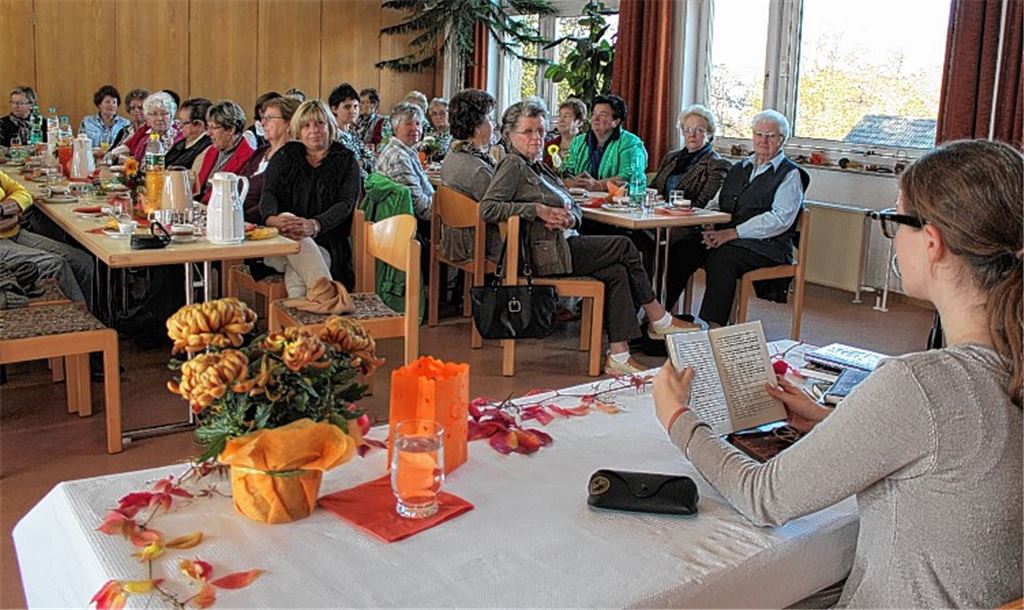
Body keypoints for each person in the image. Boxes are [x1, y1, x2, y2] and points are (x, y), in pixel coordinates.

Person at [653, 138, 1023, 608]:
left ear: (932, 243)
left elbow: (763, 496)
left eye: (894, 220)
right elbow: (950, 452)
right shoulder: (1001, 370)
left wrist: (678, 419)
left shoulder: (919, 384)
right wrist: (836, 422)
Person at [480, 99, 694, 375]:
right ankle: (658, 317)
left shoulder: (538, 166)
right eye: (528, 132)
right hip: (543, 255)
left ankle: (619, 356)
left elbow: (574, 205)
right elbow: (488, 207)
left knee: (617, 270)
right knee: (625, 246)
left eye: (541, 132)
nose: (537, 138)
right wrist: (537, 209)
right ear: (510, 135)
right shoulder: (512, 165)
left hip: (562, 244)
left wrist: (571, 216)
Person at [665, 109, 808, 327]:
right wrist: (710, 225)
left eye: (770, 136)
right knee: (685, 248)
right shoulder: (740, 168)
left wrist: (732, 233)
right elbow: (716, 202)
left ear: (782, 140)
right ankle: (661, 318)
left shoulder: (790, 174)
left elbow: (779, 219)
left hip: (767, 247)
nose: (763, 140)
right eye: (759, 134)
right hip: (729, 236)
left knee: (723, 257)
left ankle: (715, 329)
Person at [259, 100, 360, 291]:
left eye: (319, 123)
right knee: (289, 222)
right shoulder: (285, 155)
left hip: (327, 240)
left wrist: (315, 225)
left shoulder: (346, 160)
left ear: (330, 126)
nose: (313, 130)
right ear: (299, 130)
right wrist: (271, 219)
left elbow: (345, 204)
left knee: (301, 266)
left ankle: (305, 315)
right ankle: (329, 297)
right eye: (306, 125)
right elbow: (269, 192)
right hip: (280, 240)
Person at [0, 170, 92, 307]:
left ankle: (95, 315)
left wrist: (4, 209)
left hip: (13, 232)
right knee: (56, 264)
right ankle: (80, 323)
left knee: (81, 260)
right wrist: (14, 215)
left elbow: (23, 193)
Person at [439, 88, 501, 263]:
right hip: (477, 246)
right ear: (476, 125)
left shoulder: (453, 155)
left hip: (454, 241)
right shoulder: (477, 169)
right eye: (489, 119)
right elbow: (499, 208)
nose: (494, 125)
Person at [649, 104, 731, 206]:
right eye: (688, 130)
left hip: (689, 219)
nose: (692, 135)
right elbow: (653, 189)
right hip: (658, 214)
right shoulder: (671, 157)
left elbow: (703, 204)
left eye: (699, 130)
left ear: (709, 134)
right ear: (683, 133)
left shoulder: (717, 164)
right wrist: (655, 199)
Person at [562, 94, 647, 190]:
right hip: (582, 199)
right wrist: (574, 182)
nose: (595, 119)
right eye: (594, 114)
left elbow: (629, 176)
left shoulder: (631, 143)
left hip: (620, 202)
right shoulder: (578, 141)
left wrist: (598, 185)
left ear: (616, 122)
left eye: (603, 115)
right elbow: (566, 173)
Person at [239, 95, 300, 223]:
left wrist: (238, 218)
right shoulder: (261, 152)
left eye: (269, 118)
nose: (262, 123)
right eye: (263, 118)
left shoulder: (294, 158)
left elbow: (275, 201)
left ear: (289, 123)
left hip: (261, 225)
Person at [377, 102, 434, 223]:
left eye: (418, 123)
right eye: (408, 124)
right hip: (407, 224)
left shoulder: (406, 150)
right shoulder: (399, 158)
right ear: (396, 128)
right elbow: (421, 208)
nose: (415, 128)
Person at [194, 100, 256, 203]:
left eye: (214, 128)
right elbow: (199, 187)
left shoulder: (249, 157)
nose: (208, 133)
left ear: (231, 129)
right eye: (208, 127)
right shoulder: (212, 151)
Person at [114, 91, 181, 162]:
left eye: (164, 113)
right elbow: (138, 165)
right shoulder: (144, 140)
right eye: (154, 114)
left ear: (171, 116)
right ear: (148, 119)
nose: (159, 118)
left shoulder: (179, 139)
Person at [328, 83, 376, 176]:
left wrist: (361, 163)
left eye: (356, 106)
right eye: (347, 107)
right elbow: (344, 168)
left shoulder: (353, 133)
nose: (353, 111)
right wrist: (359, 164)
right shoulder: (332, 136)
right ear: (334, 109)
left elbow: (372, 158)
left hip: (365, 180)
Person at [165, 97, 212, 170]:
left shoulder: (207, 147)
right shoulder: (182, 143)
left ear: (199, 125)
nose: (179, 126)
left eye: (185, 123)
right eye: (180, 120)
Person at [79, 85, 131, 149]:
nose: (111, 105)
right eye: (107, 102)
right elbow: (80, 146)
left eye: (114, 102)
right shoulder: (87, 122)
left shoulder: (125, 124)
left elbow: (128, 147)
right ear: (99, 104)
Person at [543, 97, 586, 170]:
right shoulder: (548, 145)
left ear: (579, 122)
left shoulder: (586, 146)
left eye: (567, 116)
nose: (561, 120)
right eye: (560, 115)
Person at [424, 97, 452, 162]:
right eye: (434, 114)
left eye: (442, 113)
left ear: (449, 114)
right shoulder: (427, 132)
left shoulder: (455, 134)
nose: (438, 117)